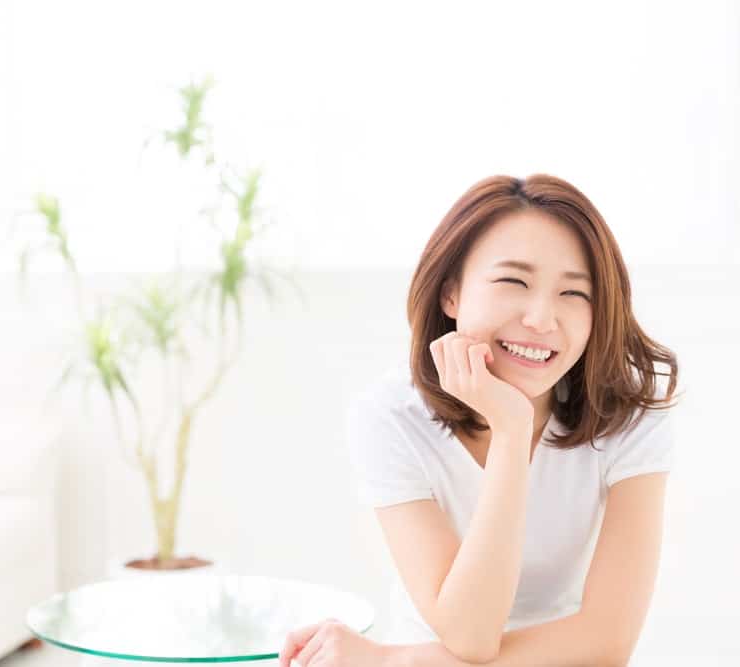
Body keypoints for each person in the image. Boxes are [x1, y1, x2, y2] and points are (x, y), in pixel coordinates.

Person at [279, 174, 682, 667]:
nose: (541, 318)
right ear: (451, 293)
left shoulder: (628, 417)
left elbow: (606, 643)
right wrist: (511, 434)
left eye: (574, 294)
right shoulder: (390, 417)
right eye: (514, 282)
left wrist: (391, 661)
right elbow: (471, 635)